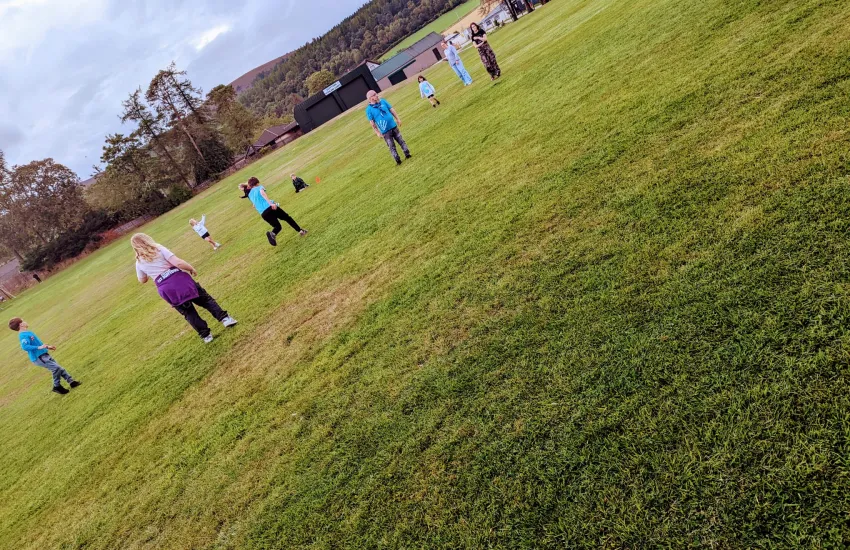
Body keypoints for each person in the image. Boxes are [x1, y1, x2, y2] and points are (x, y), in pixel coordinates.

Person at [132, 233, 237, 343]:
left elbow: (142, 280)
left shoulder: (139, 263)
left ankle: (206, 336)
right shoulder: (159, 249)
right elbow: (178, 262)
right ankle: (225, 319)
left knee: (188, 312)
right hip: (180, 280)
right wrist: (190, 268)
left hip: (166, 289)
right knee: (205, 300)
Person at [9, 317, 81, 395]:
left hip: (44, 354)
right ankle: (57, 386)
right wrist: (39, 347)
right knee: (56, 368)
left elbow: (38, 344)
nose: (25, 321)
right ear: (21, 324)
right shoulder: (22, 335)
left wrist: (47, 347)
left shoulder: (28, 332)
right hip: (38, 357)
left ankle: (72, 382)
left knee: (59, 368)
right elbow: (24, 347)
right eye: (23, 321)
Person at [245, 177, 308, 246]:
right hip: (270, 208)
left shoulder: (250, 194)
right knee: (287, 218)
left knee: (277, 226)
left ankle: (272, 234)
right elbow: (262, 193)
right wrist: (271, 203)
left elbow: (254, 204)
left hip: (263, 214)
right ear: (257, 183)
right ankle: (301, 231)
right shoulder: (259, 187)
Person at [366, 90, 411, 166]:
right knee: (391, 146)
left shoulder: (383, 101)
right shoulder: (369, 109)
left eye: (376, 93)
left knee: (401, 141)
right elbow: (372, 122)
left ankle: (407, 154)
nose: (377, 95)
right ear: (371, 98)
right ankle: (398, 160)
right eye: (375, 94)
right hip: (385, 131)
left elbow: (391, 110)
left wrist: (398, 119)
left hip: (393, 126)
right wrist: (377, 132)